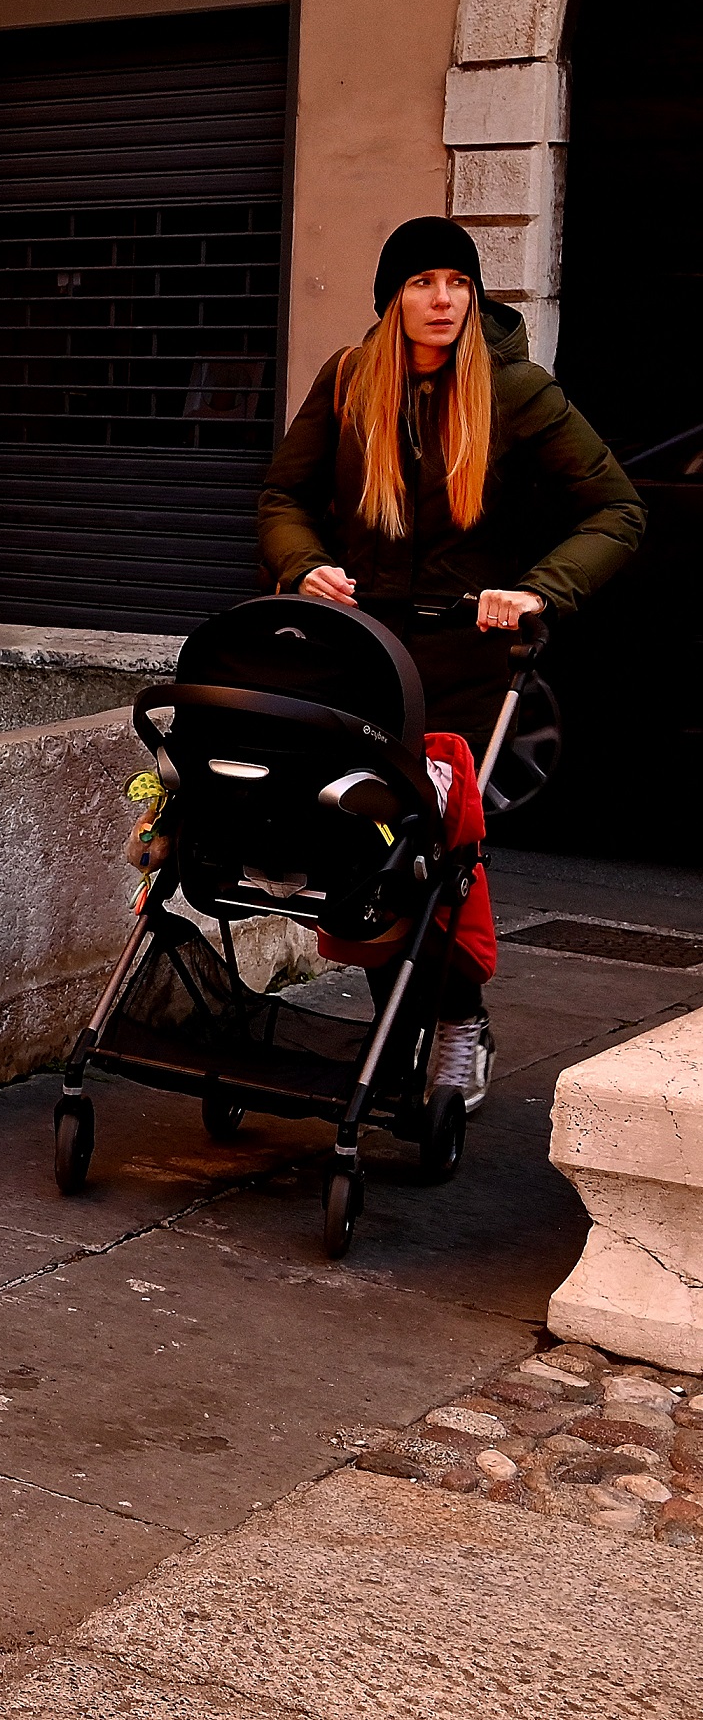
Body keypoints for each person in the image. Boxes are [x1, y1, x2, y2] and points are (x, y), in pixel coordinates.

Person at [257, 215, 645, 1106]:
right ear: (391, 298)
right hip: (361, 657)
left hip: (463, 666)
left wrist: (539, 588)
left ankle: (459, 1023)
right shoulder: (348, 379)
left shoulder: (515, 391)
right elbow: (283, 494)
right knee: (359, 847)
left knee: (432, 856)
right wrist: (301, 561)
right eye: (422, 283)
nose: (442, 300)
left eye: (458, 283)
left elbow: (616, 509)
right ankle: (396, 1028)